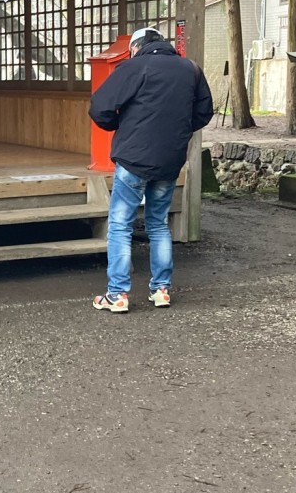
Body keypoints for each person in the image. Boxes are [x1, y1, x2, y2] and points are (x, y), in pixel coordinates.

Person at [88, 26, 214, 314]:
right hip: (170, 160)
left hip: (133, 158)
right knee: (158, 224)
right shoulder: (190, 69)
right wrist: (177, 132)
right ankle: (161, 290)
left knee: (120, 225)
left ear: (137, 47)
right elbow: (203, 112)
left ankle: (117, 294)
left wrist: (119, 127)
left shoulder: (134, 67)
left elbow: (100, 106)